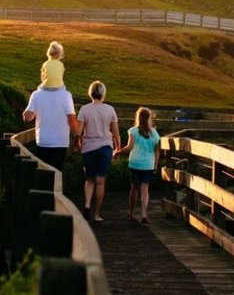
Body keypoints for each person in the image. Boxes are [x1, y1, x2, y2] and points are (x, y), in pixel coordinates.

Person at [76, 81, 120, 222]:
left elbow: (78, 132)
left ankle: (87, 204)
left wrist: (78, 144)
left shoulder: (84, 109)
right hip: (105, 148)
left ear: (90, 93)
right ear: (103, 93)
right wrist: (118, 148)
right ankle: (96, 214)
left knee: (89, 180)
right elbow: (116, 133)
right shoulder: (110, 109)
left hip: (88, 148)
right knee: (100, 182)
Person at [115, 107, 161, 224]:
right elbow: (157, 150)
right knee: (145, 190)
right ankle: (144, 214)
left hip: (136, 163)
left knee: (134, 189)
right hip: (148, 165)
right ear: (149, 118)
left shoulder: (133, 131)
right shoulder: (154, 133)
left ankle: (130, 213)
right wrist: (155, 164)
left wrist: (118, 152)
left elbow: (129, 147)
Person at [22, 83, 78, 171]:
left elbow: (27, 118)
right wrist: (76, 136)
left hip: (43, 141)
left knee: (42, 170)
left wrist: (29, 109)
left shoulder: (36, 95)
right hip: (61, 142)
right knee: (56, 171)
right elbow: (72, 118)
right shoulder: (67, 95)